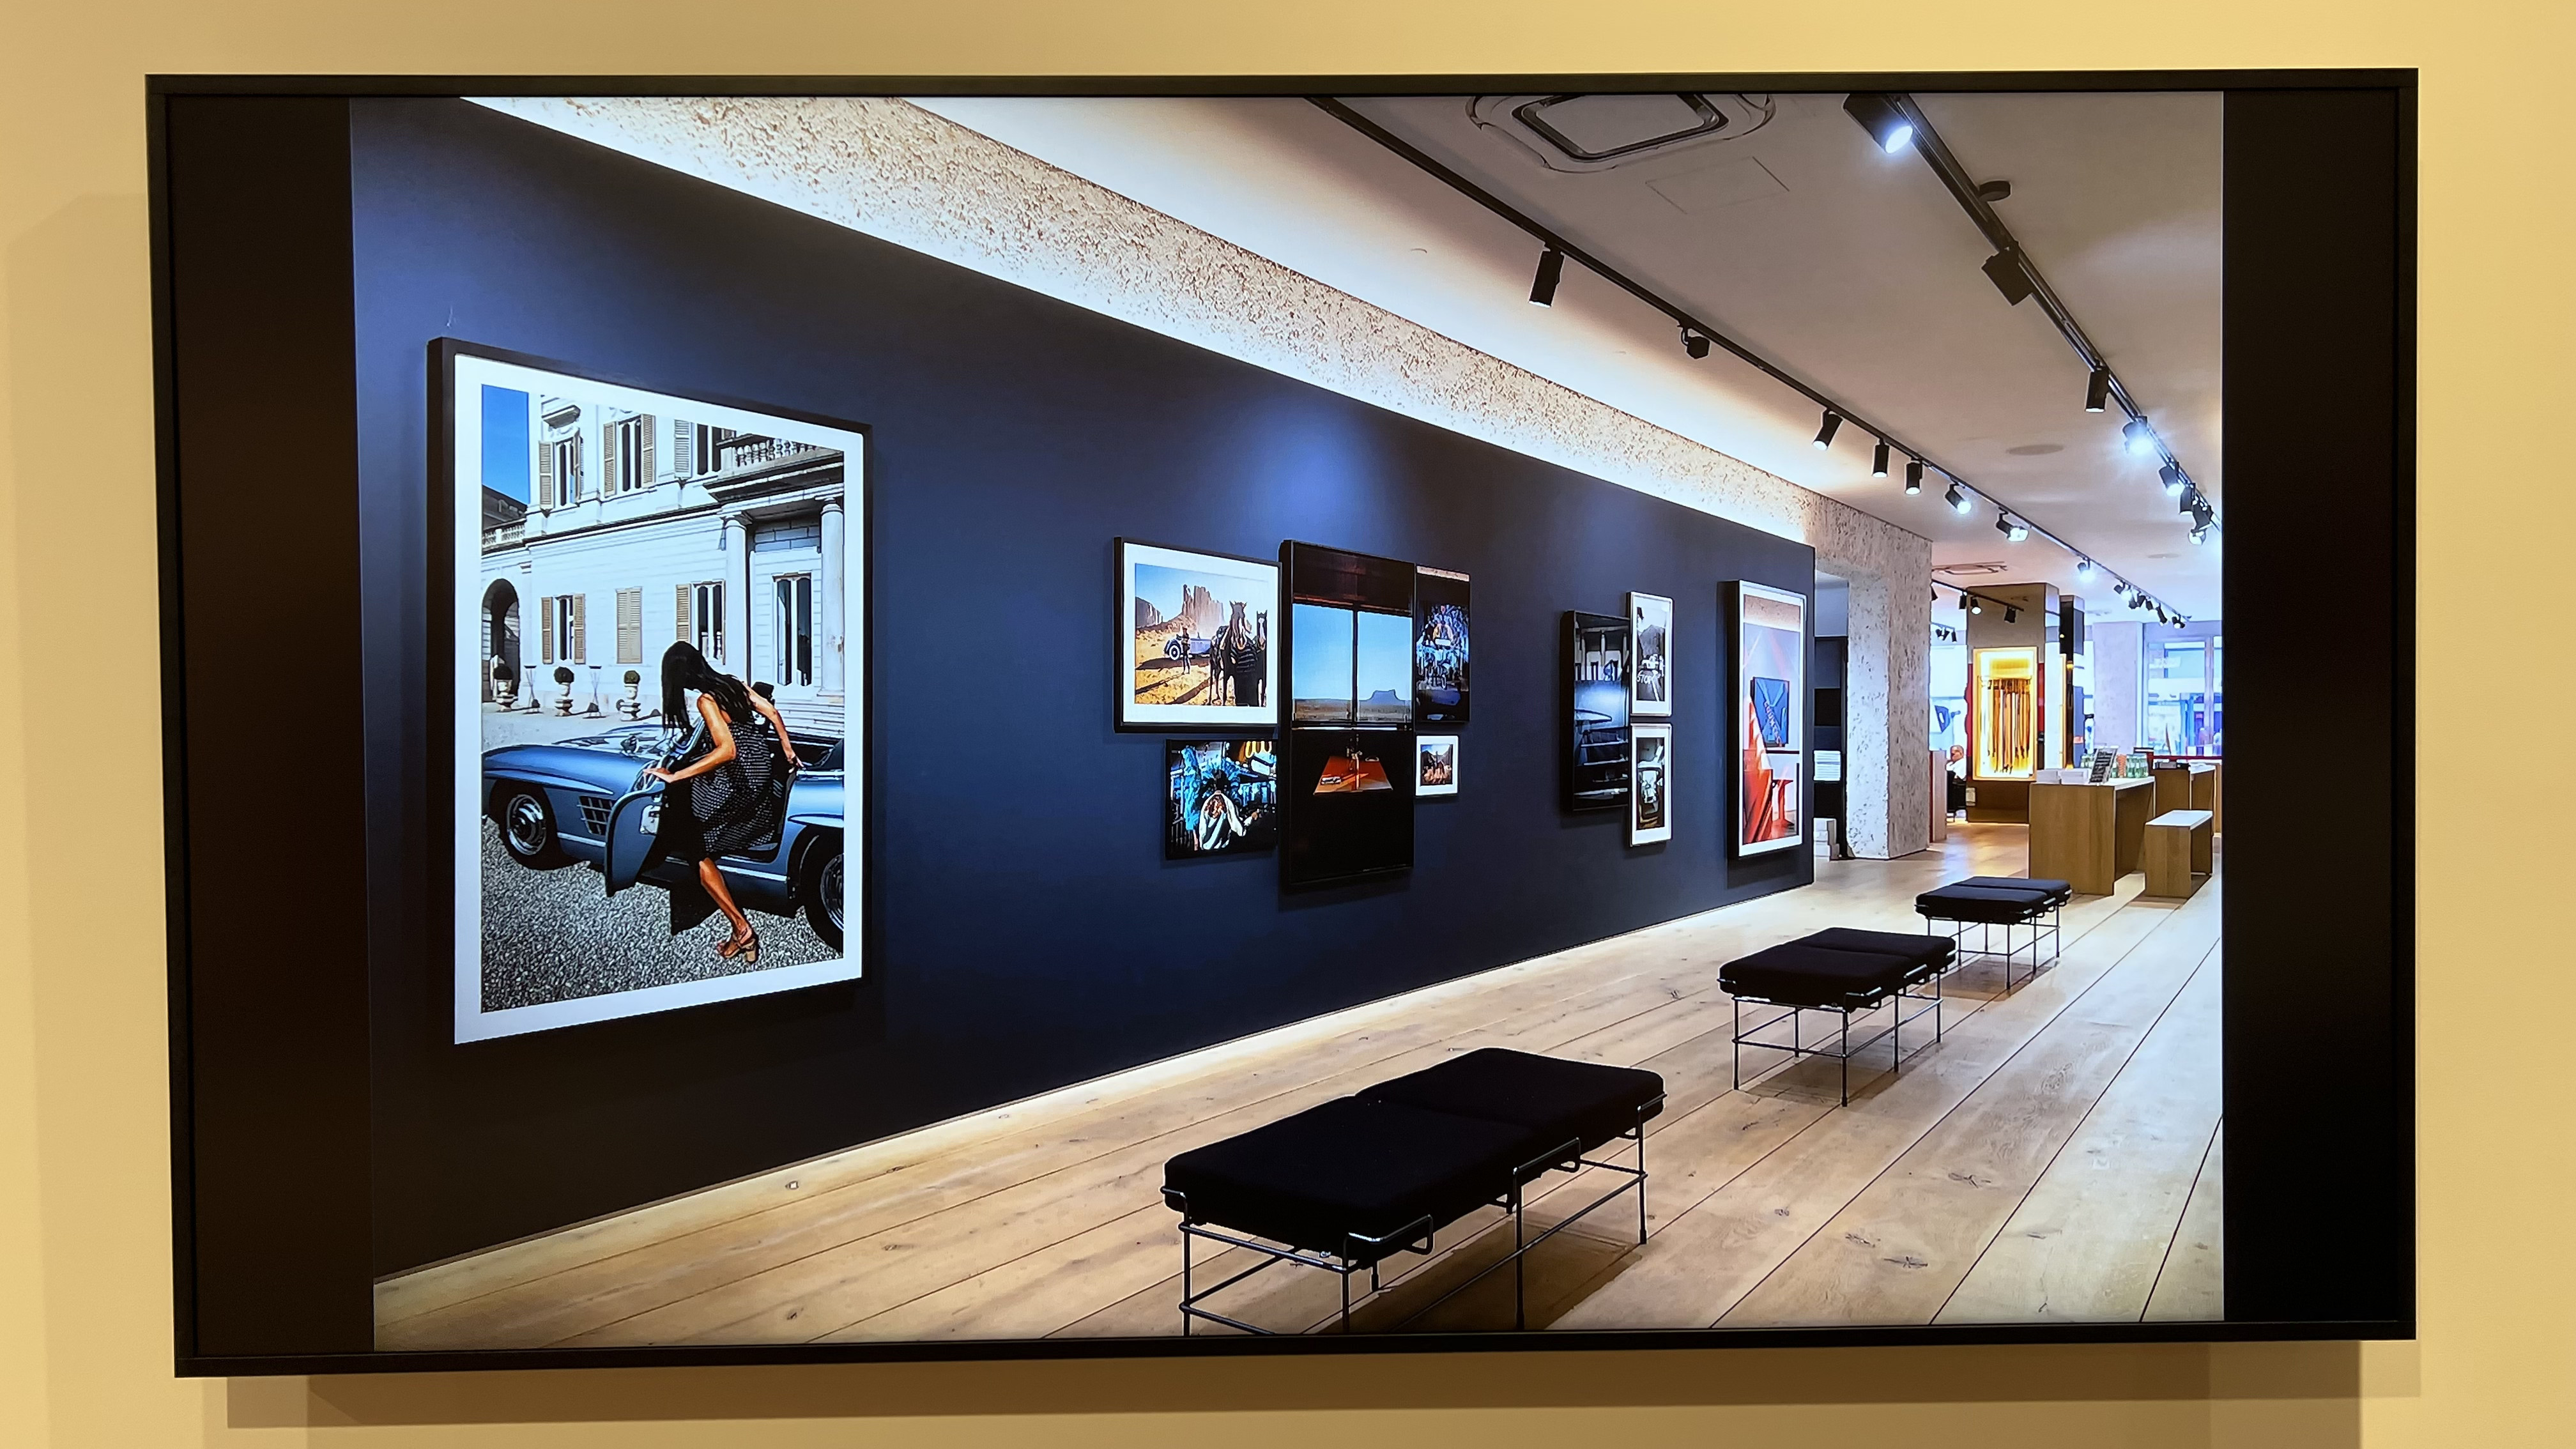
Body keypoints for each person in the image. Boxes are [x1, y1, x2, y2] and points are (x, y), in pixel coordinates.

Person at [641, 642, 801, 963]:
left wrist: (677, 776)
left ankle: (742, 929)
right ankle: (739, 939)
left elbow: (727, 750)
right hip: (759, 767)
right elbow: (770, 711)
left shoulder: (706, 700)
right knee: (696, 807)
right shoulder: (731, 682)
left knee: (694, 845)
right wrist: (786, 747)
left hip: (737, 773)